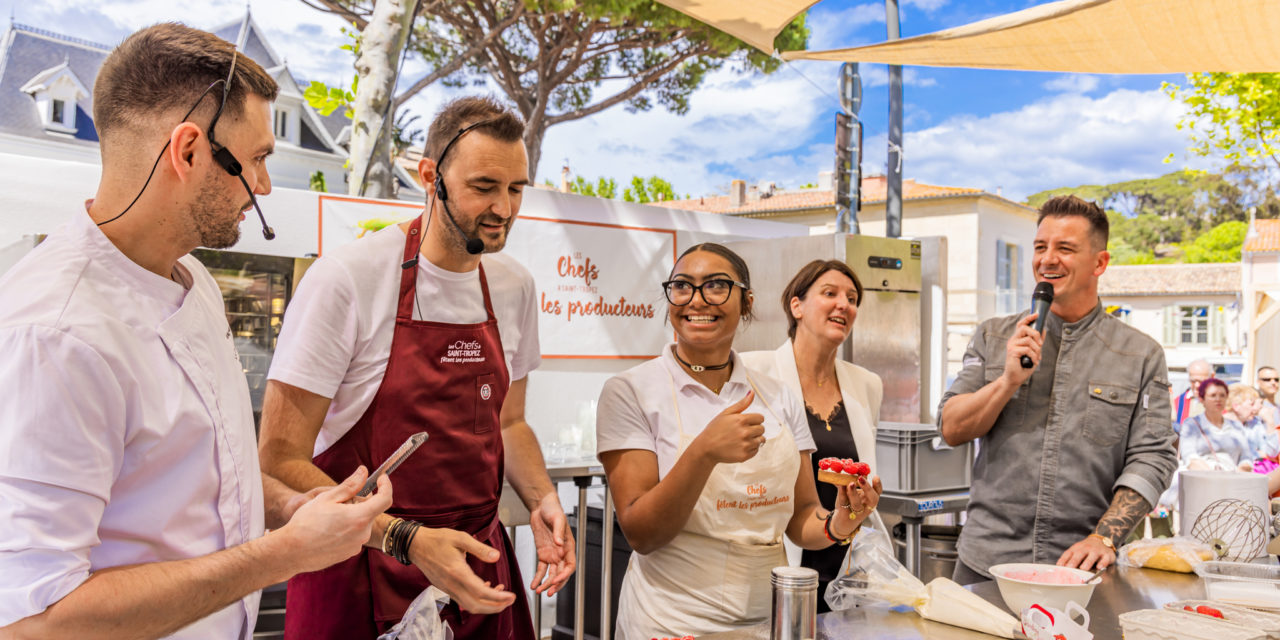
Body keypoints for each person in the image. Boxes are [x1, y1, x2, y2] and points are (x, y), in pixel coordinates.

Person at [0, 24, 392, 639]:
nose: (264, 186)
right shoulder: (57, 335)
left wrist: (293, 507)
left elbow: (208, 477)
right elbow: (36, 621)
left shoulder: (195, 282)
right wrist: (286, 553)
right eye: (258, 159)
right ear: (187, 151)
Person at [258, 96, 573, 639]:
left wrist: (543, 498)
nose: (504, 207)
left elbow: (509, 422)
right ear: (430, 176)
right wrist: (405, 537)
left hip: (474, 566)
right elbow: (279, 458)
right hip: (357, 562)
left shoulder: (514, 287)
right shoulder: (349, 279)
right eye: (484, 187)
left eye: (516, 189)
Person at [596, 243, 883, 639]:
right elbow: (642, 534)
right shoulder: (631, 391)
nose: (697, 300)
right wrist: (703, 452)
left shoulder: (778, 395)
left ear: (746, 301)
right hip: (673, 619)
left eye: (716, 286)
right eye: (682, 286)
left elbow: (801, 517)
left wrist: (840, 521)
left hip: (767, 616)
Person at [939, 195, 1176, 583]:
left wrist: (1105, 537)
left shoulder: (1140, 354)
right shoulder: (993, 335)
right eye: (1040, 247)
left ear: (1100, 263)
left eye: (1065, 248)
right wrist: (1007, 382)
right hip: (985, 562)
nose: (1047, 259)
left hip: (1083, 570)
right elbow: (951, 428)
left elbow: (1153, 458)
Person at [741, 259, 882, 612]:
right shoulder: (754, 371)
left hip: (847, 570)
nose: (843, 305)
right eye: (830, 293)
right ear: (797, 305)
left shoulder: (867, 384)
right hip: (780, 565)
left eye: (852, 299)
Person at [1226, 383, 1277, 460]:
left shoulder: (1253, 423)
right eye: (1252, 404)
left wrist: (1270, 423)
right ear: (1236, 406)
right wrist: (1257, 454)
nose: (1255, 409)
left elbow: (1271, 453)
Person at [1172, 359, 1212, 425]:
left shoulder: (1221, 402)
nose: (1197, 385)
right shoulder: (1178, 402)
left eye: (1201, 381)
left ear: (1212, 377)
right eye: (1193, 381)